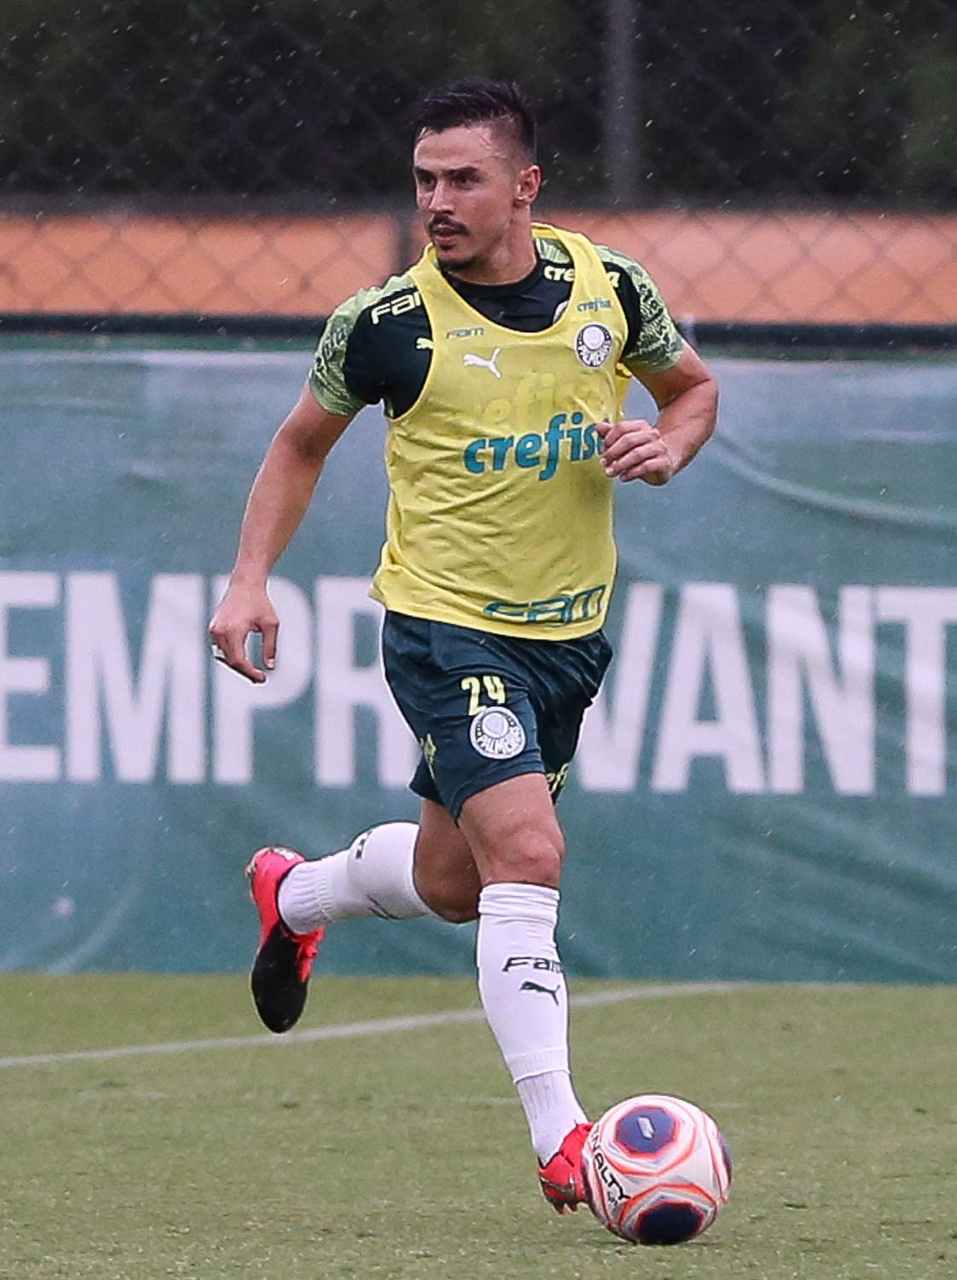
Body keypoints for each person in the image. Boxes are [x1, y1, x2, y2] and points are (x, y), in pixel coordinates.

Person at [209, 78, 717, 1214]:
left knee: (454, 883)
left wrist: (672, 442)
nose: (437, 200)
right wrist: (248, 578)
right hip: (445, 627)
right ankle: (563, 1135)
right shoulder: (386, 323)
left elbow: (691, 391)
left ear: (525, 185)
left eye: (464, 179)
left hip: (567, 638)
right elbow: (299, 445)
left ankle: (296, 895)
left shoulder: (610, 287)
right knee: (527, 854)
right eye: (424, 179)